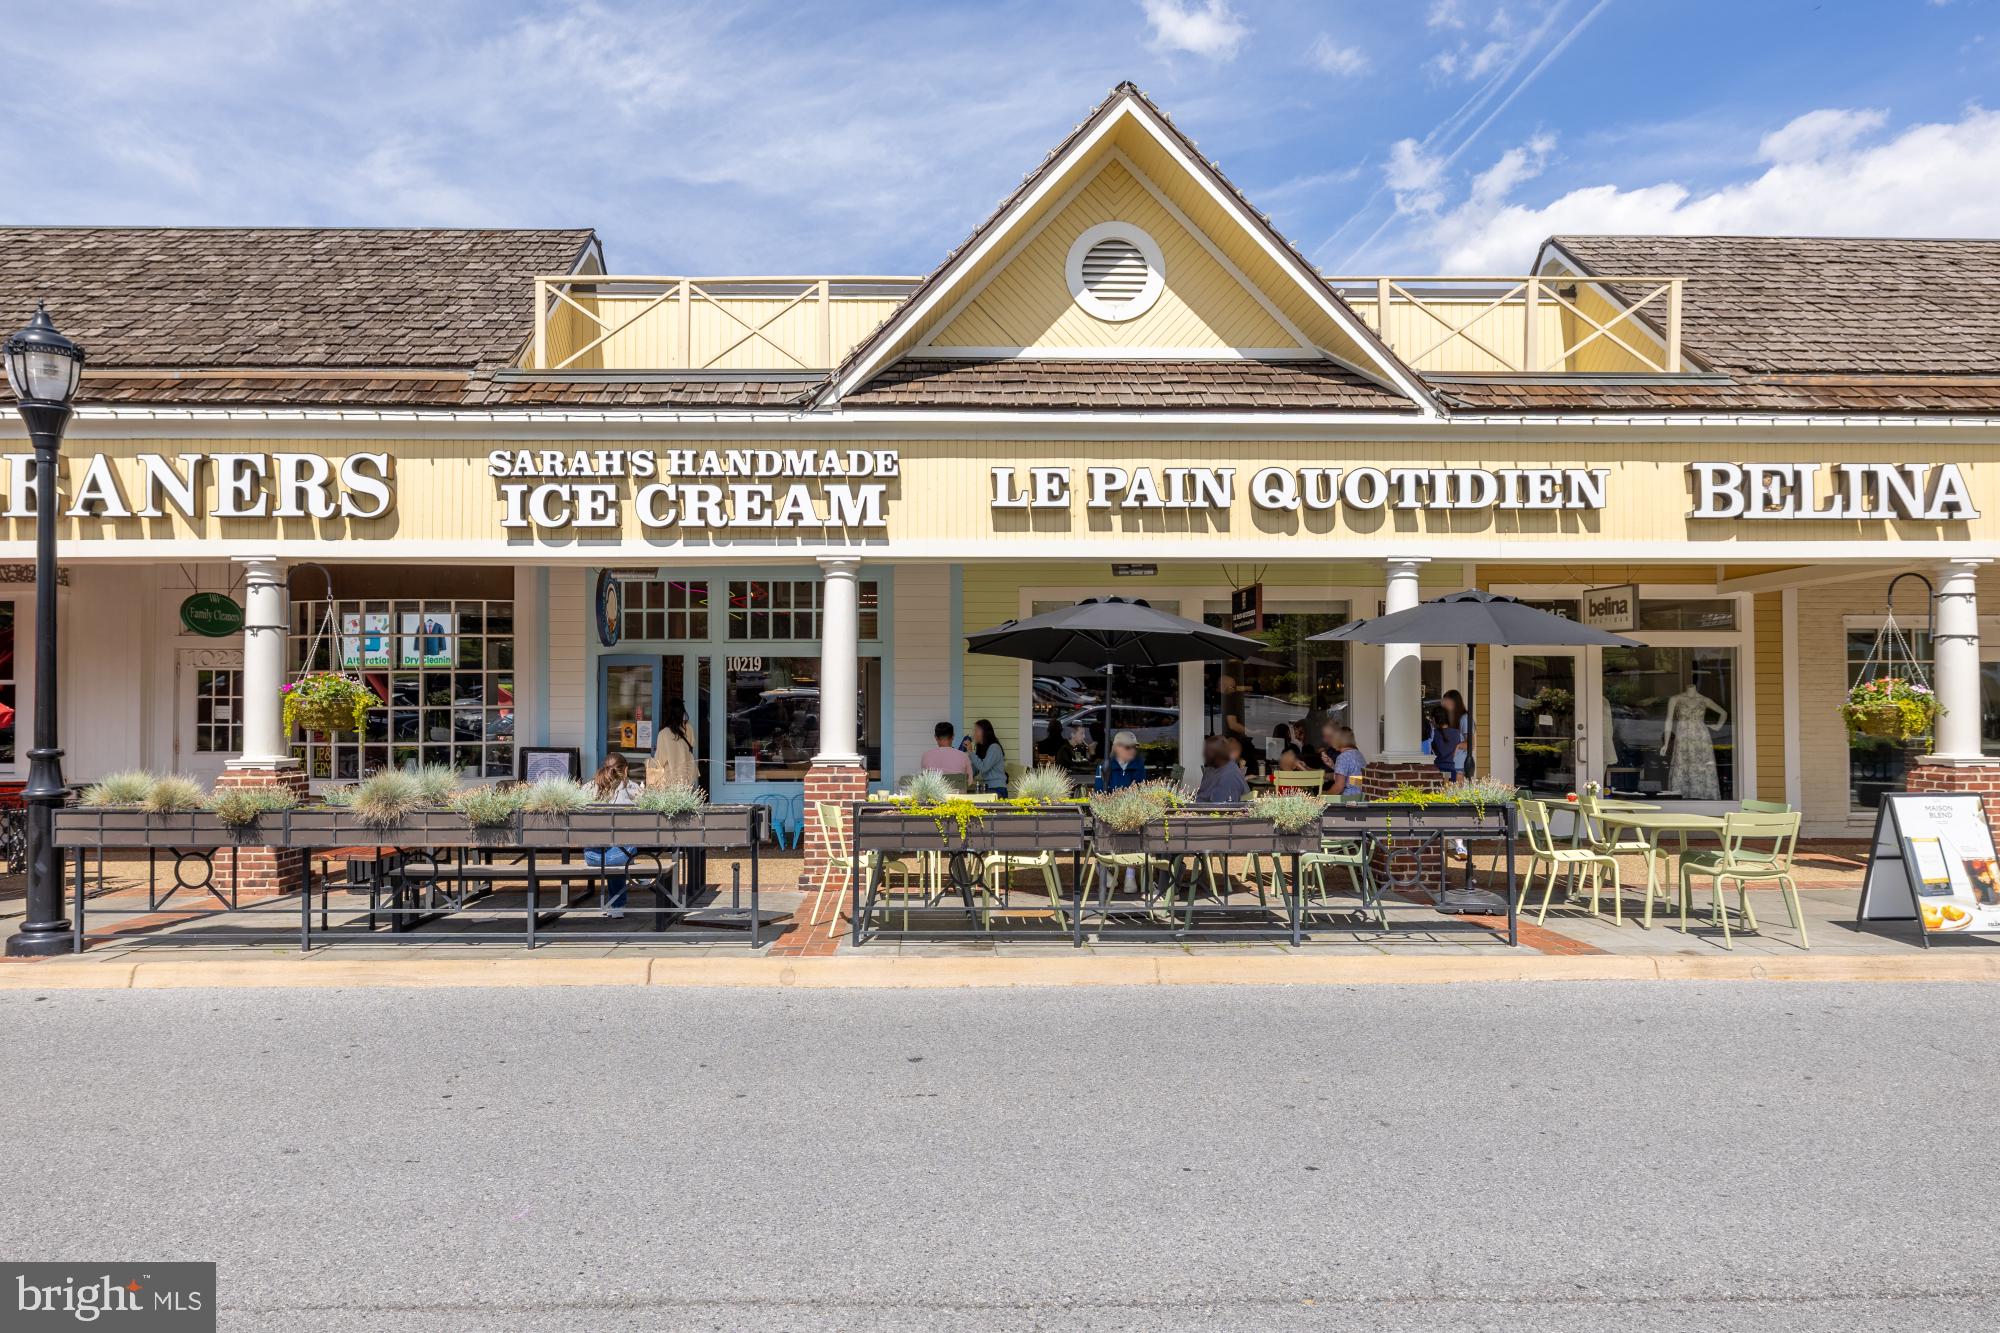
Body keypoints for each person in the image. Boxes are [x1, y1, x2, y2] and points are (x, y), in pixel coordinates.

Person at [585, 755, 643, 918]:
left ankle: (615, 903)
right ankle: (617, 904)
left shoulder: (588, 787)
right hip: (619, 855)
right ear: (625, 769)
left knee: (614, 848)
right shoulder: (630, 787)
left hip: (591, 856)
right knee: (621, 851)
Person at [649, 696, 700, 791]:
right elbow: (692, 745)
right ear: (682, 712)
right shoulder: (688, 728)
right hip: (687, 776)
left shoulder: (663, 733)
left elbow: (660, 760)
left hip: (670, 778)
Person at [1195, 735, 1249, 803]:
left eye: (1209, 751)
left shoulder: (1229, 775)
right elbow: (1202, 794)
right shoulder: (1210, 769)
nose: (1204, 754)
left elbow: (1222, 809)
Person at [968, 718, 1007, 797]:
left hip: (997, 789)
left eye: (976, 731)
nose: (973, 734)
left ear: (985, 732)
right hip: (988, 788)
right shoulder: (982, 748)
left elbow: (984, 767)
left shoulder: (994, 748)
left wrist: (971, 752)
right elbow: (976, 769)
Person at [1324, 725, 1366, 797]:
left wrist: (1323, 795)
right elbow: (1352, 778)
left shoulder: (1343, 757)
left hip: (1348, 800)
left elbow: (1339, 787)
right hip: (1360, 798)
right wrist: (1333, 766)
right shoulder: (1358, 754)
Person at [1442, 689, 1474, 780]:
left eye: (1447, 703)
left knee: (1456, 794)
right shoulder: (1449, 720)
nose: (1443, 706)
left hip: (1459, 767)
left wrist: (1458, 746)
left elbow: (1471, 744)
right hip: (1448, 765)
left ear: (1455, 703)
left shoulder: (1465, 719)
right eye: (1443, 703)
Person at [1427, 704, 1464, 784]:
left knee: (1440, 794)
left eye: (1431, 719)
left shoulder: (1433, 734)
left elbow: (1428, 752)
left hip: (1438, 770)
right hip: (1453, 769)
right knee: (1450, 795)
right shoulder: (1457, 733)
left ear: (1434, 719)